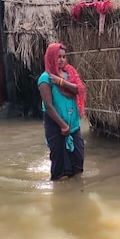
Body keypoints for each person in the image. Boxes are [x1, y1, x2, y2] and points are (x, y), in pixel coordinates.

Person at [38, 43, 86, 180]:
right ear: (51, 57)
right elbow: (48, 106)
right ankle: (58, 194)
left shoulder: (70, 73)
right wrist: (63, 125)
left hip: (73, 125)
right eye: (58, 57)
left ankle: (76, 194)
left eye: (64, 57)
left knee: (78, 159)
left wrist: (61, 82)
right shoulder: (45, 79)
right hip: (55, 125)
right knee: (59, 165)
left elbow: (78, 89)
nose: (61, 60)